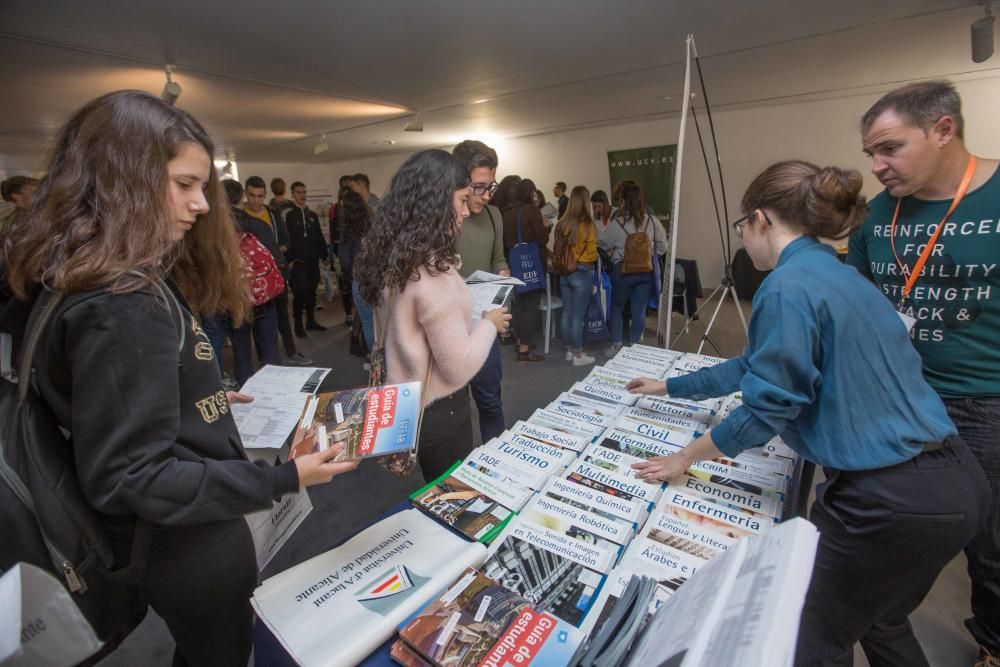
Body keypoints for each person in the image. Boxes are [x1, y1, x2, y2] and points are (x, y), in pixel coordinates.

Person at [4, 90, 359, 666]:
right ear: (125, 180)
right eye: (184, 184)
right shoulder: (122, 301)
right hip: (183, 542)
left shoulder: (89, 276)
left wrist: (196, 392)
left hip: (172, 530)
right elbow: (130, 476)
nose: (200, 205)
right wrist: (282, 478)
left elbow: (109, 398)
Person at [626, 159, 989, 667]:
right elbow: (753, 365)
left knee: (806, 635)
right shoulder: (833, 273)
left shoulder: (785, 287)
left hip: (888, 496)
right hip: (952, 481)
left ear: (761, 220)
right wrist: (669, 385)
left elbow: (769, 406)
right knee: (879, 621)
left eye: (741, 227)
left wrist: (685, 457)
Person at [846, 80, 1000, 667]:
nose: (878, 166)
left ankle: (992, 640)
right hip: (902, 396)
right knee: (899, 524)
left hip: (986, 400)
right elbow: (858, 303)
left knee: (990, 541)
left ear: (943, 129)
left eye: (889, 148)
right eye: (871, 154)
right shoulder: (877, 215)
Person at [354, 149, 510, 481]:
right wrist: (489, 324)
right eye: (461, 201)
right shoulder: (434, 276)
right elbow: (458, 366)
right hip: (440, 407)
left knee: (434, 487)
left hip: (407, 400)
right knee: (454, 497)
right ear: (437, 204)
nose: (466, 212)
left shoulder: (389, 256)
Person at [452, 139, 509, 441]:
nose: (487, 196)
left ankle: (493, 466)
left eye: (491, 186)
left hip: (484, 325)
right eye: (479, 187)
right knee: (454, 411)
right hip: (448, 331)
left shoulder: (493, 216)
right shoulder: (443, 221)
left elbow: (497, 256)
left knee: (490, 402)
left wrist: (502, 274)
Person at [244, 176, 311, 365]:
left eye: (260, 196)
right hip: (251, 280)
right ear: (245, 194)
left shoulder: (272, 213)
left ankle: (291, 351)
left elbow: (285, 241)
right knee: (257, 322)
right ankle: (265, 360)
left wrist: (272, 253)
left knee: (282, 313)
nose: (256, 200)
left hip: (275, 275)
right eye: (252, 196)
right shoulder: (239, 217)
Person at [222, 179, 282, 385]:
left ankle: (245, 396)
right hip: (264, 297)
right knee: (269, 349)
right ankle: (275, 395)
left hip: (234, 298)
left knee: (241, 350)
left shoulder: (213, 232)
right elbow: (277, 262)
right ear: (242, 197)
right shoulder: (258, 226)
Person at [598, 182, 666, 354]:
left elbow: (602, 245)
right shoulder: (652, 221)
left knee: (616, 308)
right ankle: (634, 348)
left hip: (623, 271)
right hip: (646, 272)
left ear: (623, 202)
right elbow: (663, 248)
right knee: (639, 310)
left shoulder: (617, 223)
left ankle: (616, 345)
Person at [502, 178, 549, 362]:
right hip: (532, 264)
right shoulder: (532, 210)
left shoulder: (506, 213)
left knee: (520, 304)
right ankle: (524, 350)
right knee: (531, 307)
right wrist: (545, 225)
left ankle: (520, 340)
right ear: (531, 193)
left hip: (514, 263)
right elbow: (542, 239)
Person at [555, 186, 597, 366]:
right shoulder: (588, 225)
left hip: (564, 272)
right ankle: (579, 355)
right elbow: (592, 254)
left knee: (567, 312)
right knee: (578, 317)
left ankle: (569, 351)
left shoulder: (562, 223)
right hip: (581, 272)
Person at [283, 181, 328, 337]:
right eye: (298, 192)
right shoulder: (289, 215)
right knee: (299, 294)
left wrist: (325, 255)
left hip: (312, 262)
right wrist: (288, 260)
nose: (302, 195)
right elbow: (285, 239)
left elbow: (319, 237)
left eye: (304, 192)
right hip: (298, 263)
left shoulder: (313, 215)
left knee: (311, 293)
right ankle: (297, 325)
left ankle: (310, 321)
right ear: (293, 194)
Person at [337, 189, 374, 347]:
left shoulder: (347, 231)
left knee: (367, 322)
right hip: (376, 276)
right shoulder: (373, 224)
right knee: (376, 320)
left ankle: (374, 360)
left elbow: (345, 260)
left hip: (359, 278)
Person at [0, 175, 39, 240]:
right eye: (33, 191)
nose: (40, 194)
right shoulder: (20, 220)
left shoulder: (31, 215)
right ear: (16, 196)